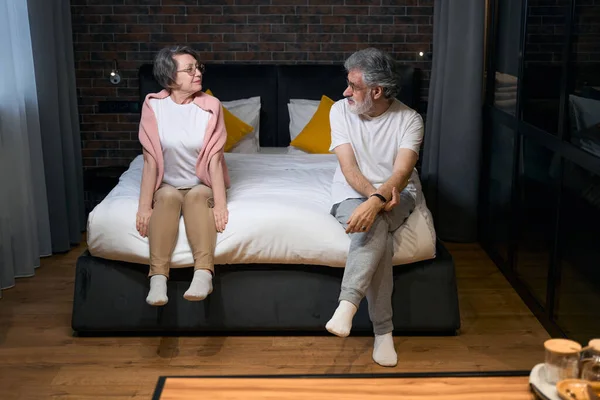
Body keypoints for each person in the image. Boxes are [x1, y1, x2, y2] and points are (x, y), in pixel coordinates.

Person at [326, 48, 424, 367]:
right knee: (377, 226)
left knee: (374, 224)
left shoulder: (409, 119)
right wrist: (373, 199)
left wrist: (378, 200)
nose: (345, 92)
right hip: (352, 192)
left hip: (398, 194)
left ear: (376, 91)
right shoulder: (340, 111)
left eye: (353, 86)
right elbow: (349, 168)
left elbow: (401, 173)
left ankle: (347, 305)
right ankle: (383, 332)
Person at [136, 45, 230, 306]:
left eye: (197, 67)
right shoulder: (153, 106)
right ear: (169, 77)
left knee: (197, 197)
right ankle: (157, 278)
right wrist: (144, 206)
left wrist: (220, 204)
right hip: (167, 183)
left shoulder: (211, 107)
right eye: (189, 69)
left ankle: (203, 273)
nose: (197, 72)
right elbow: (150, 161)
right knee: (165, 198)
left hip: (202, 183)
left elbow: (214, 161)